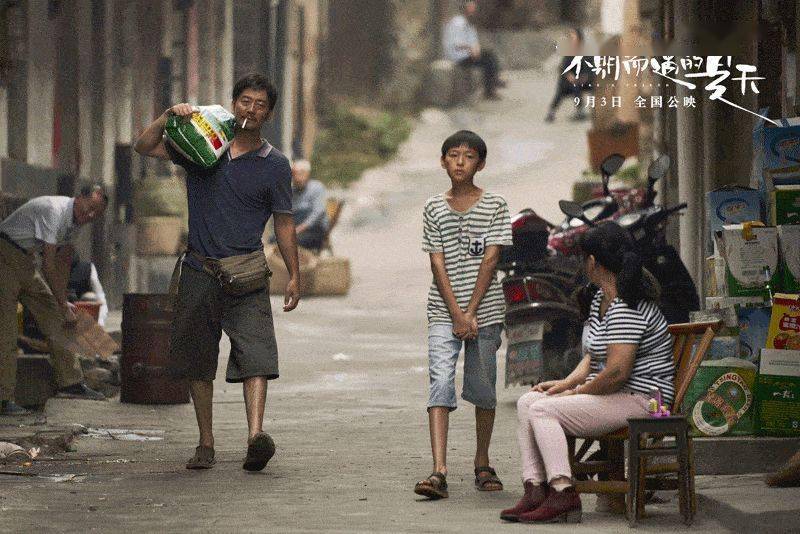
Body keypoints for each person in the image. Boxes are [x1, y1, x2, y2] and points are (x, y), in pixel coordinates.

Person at [133, 73, 300, 472]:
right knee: (197, 360)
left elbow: (284, 223)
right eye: (245, 101)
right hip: (199, 269)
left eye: (260, 104)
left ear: (269, 113)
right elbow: (145, 146)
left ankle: (255, 436)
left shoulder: (275, 165)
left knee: (257, 356)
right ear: (233, 103)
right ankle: (205, 442)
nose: (251, 109)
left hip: (247, 273)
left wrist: (295, 274)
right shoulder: (203, 146)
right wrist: (169, 116)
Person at [500, 221, 673, 523]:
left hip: (649, 402)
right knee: (530, 400)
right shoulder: (600, 302)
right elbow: (594, 357)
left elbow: (618, 371)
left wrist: (576, 393)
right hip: (619, 395)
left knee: (543, 411)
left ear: (593, 262)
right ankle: (535, 488)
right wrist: (566, 382)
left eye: (583, 259)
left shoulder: (626, 307)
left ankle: (563, 491)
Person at [414, 130, 512, 500]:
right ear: (442, 161)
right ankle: (439, 469)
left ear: (480, 164)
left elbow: (491, 258)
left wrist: (470, 312)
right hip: (443, 310)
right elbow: (436, 262)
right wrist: (456, 313)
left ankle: (482, 461)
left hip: (485, 312)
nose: (459, 162)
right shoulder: (433, 207)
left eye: (468, 156)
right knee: (440, 381)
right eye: (452, 155)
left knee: (483, 386)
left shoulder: (496, 205)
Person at [0, 186, 109, 416]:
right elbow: (49, 264)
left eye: (96, 214)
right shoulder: (54, 210)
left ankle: (71, 382)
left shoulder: (76, 223)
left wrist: (64, 301)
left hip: (27, 261)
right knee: (6, 330)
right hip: (5, 254)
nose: (90, 216)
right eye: (89, 208)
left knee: (58, 317)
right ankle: (3, 398)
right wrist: (61, 301)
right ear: (79, 198)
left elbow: (64, 261)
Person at [442, 1, 504, 100]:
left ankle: (493, 81)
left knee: (489, 55)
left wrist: (477, 49)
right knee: (488, 60)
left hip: (467, 54)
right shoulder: (457, 23)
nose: (473, 11)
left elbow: (474, 42)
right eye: (471, 8)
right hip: (458, 57)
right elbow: (456, 44)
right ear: (465, 10)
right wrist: (471, 48)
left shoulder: (469, 24)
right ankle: (489, 91)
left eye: (474, 9)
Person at [545, 28, 594, 123]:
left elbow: (591, 66)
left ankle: (581, 111)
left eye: (574, 37)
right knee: (564, 87)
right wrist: (569, 75)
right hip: (569, 80)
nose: (572, 39)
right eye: (571, 37)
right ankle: (552, 112)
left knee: (579, 84)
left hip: (584, 79)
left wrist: (585, 77)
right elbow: (563, 67)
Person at [290, 160, 329, 252]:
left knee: (292, 241)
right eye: (295, 174)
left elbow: (318, 212)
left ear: (307, 174)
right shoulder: (292, 191)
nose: (298, 178)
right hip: (295, 228)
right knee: (273, 240)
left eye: (301, 174)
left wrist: (299, 229)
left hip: (314, 230)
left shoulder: (316, 188)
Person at [67, 255, 109, 327]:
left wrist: (101, 319)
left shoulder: (87, 267)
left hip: (83, 309)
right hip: (63, 308)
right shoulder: (52, 269)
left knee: (90, 296)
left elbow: (99, 294)